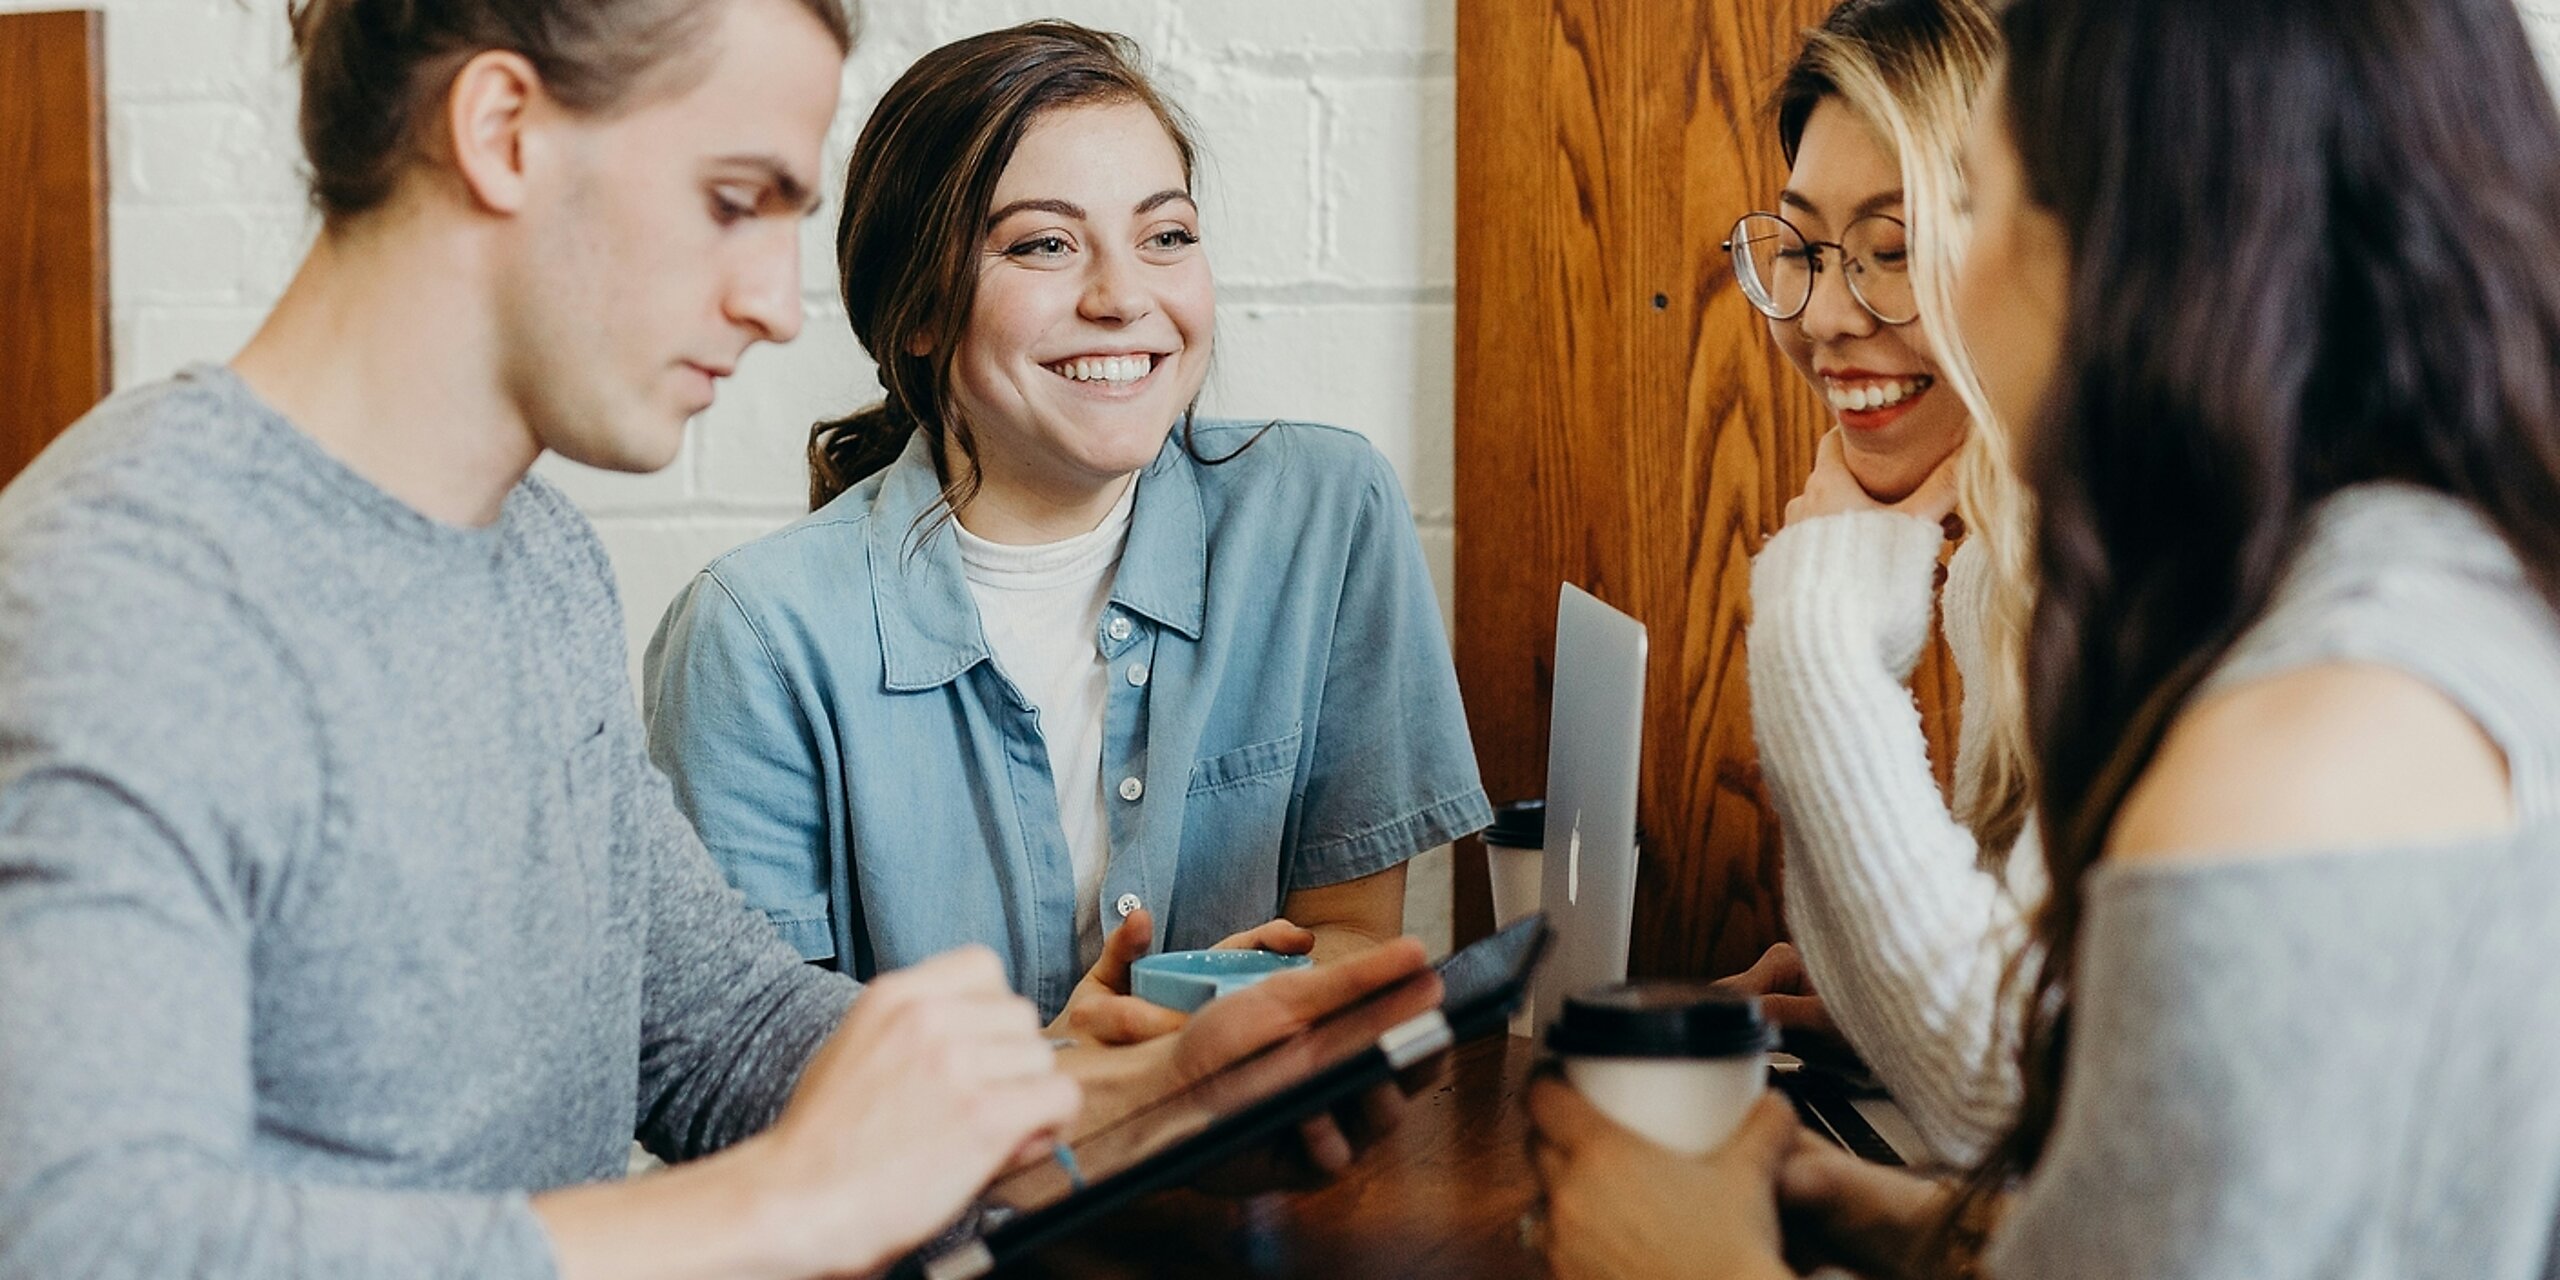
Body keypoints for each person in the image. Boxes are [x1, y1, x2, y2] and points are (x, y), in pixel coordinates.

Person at [0, 1, 1433, 1276]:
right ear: (502, 130)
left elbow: (716, 1032)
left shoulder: (532, 558)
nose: (766, 302)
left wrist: (1119, 1112)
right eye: (731, 201)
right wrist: (780, 1208)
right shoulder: (128, 591)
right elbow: (83, 1237)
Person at [1534, 0, 2560, 1275]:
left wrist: (1688, 1261)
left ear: (2140, 255)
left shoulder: (2293, 745)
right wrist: (1896, 1217)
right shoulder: (2413, 601)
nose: (1931, 287)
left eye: (1973, 203)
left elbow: (2014, 1096)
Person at [642, 21, 1491, 1044]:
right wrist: (1075, 1078)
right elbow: (752, 1072)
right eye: (1043, 243)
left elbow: (1350, 935)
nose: (1122, 296)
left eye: (1164, 235)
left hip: (1250, 1184)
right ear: (915, 310)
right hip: (939, 1205)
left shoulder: (1322, 514)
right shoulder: (755, 636)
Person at [1720, 0, 2038, 1165]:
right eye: (1800, 252)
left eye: (1893, 252)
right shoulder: (2005, 568)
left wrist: (1814, 635)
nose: (1825, 317)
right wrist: (1872, 1001)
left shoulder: (2127, 575)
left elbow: (2005, 1095)